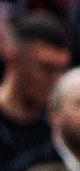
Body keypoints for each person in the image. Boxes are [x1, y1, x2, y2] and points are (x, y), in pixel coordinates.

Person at [0, 12, 73, 162]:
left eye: (62, 70)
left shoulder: (53, 130)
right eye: (47, 68)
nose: (56, 80)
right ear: (13, 60)